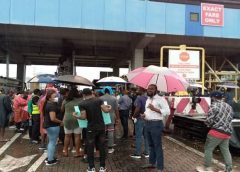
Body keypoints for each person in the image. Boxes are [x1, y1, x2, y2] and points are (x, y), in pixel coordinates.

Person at [73, 88, 111, 172]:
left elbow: (83, 117)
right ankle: (102, 167)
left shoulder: (82, 103)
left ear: (83, 95)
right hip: (101, 127)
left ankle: (91, 167)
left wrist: (76, 116)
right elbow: (106, 110)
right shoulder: (99, 100)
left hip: (90, 128)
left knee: (90, 147)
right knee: (101, 146)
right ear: (91, 93)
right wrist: (109, 107)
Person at [196, 91, 234, 172]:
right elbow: (231, 118)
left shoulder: (214, 106)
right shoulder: (229, 106)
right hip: (227, 133)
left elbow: (209, 121)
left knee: (208, 149)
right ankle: (229, 169)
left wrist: (206, 123)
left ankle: (206, 168)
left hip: (216, 132)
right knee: (225, 150)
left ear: (213, 98)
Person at [142, 84, 170, 172]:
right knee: (150, 145)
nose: (149, 90)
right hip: (147, 123)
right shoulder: (148, 99)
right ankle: (152, 163)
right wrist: (144, 115)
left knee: (157, 146)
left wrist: (155, 109)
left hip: (156, 124)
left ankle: (160, 168)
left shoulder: (161, 99)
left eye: (152, 89)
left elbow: (167, 111)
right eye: (148, 89)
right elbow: (148, 112)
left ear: (156, 90)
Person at [43, 89, 63, 166]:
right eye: (54, 95)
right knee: (52, 142)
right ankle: (50, 160)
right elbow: (53, 118)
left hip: (50, 125)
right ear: (49, 97)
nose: (56, 96)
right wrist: (61, 122)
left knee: (51, 142)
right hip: (53, 125)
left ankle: (50, 157)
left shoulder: (49, 103)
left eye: (56, 95)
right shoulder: (51, 105)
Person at [62, 87, 82, 157]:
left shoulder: (65, 100)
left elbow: (62, 109)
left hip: (67, 118)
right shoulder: (80, 100)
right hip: (77, 118)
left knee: (67, 136)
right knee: (77, 136)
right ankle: (77, 152)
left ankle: (65, 151)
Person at [130, 87, 149, 159]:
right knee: (146, 136)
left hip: (140, 118)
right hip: (148, 119)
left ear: (141, 90)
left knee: (138, 136)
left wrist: (134, 116)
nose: (137, 90)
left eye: (139, 89)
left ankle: (137, 153)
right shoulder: (150, 98)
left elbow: (137, 108)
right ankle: (147, 152)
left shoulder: (140, 98)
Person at [100, 86, 120, 154]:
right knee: (110, 131)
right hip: (111, 115)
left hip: (102, 116)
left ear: (104, 91)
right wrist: (118, 118)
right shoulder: (114, 98)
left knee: (103, 132)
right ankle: (110, 148)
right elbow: (116, 109)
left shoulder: (100, 98)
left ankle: (101, 146)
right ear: (110, 91)